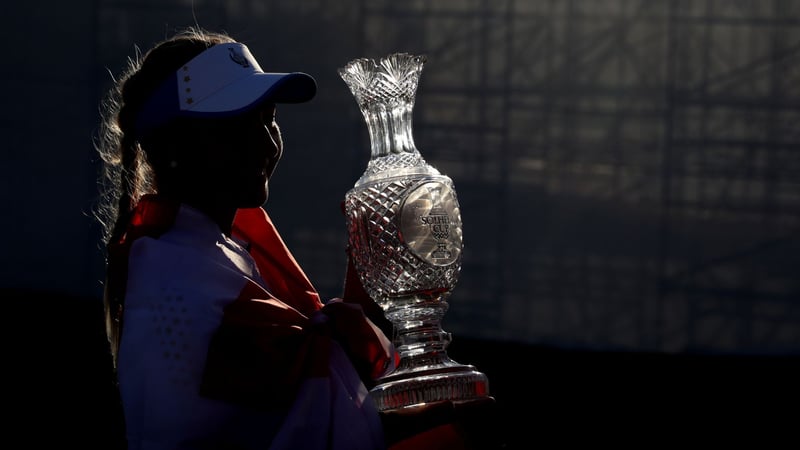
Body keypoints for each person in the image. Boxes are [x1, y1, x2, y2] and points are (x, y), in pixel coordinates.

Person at [93, 27, 399, 450]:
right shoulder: (177, 280)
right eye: (234, 125)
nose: (265, 141)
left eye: (268, 117)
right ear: (173, 147)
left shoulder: (209, 255)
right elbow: (312, 411)